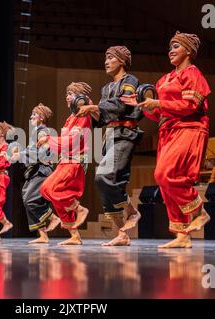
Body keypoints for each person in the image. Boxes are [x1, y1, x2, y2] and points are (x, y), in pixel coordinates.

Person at [121, 31, 211, 248]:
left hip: (189, 128)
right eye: (170, 47)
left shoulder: (192, 73)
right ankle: (182, 235)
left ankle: (199, 210)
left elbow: (191, 106)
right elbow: (158, 113)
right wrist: (142, 105)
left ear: (189, 51)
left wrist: (159, 104)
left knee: (165, 174)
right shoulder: (165, 79)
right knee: (164, 181)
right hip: (167, 131)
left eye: (176, 46)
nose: (171, 51)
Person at [77, 46, 144, 246]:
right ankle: (123, 234)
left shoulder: (130, 81)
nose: (106, 62)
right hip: (110, 135)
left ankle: (132, 211)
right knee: (106, 182)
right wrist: (90, 111)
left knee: (103, 176)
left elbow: (122, 105)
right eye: (105, 58)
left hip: (125, 134)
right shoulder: (105, 88)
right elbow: (102, 117)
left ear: (121, 61)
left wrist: (95, 107)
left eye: (110, 58)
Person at [38, 82, 92, 245]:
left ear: (81, 97)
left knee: (48, 188)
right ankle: (74, 236)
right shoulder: (71, 118)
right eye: (67, 93)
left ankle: (79, 208)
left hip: (75, 160)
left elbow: (73, 140)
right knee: (55, 196)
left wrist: (49, 139)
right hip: (66, 160)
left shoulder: (82, 116)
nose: (67, 96)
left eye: (71, 93)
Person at [11, 103, 60, 244]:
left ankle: (53, 218)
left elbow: (40, 153)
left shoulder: (43, 132)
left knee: (30, 199)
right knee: (28, 198)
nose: (31, 116)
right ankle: (43, 236)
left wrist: (20, 155)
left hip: (42, 170)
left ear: (42, 117)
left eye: (34, 114)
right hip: (35, 170)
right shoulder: (36, 132)